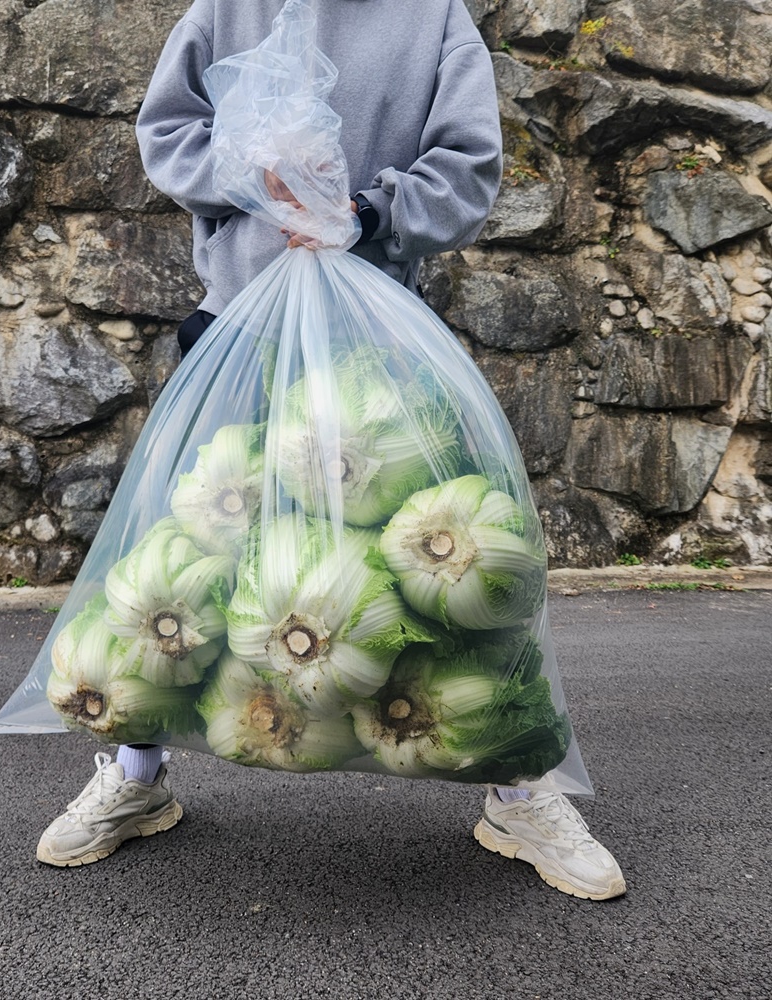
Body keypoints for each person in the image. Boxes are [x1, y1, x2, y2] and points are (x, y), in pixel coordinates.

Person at [36, 0, 626, 902]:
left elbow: (468, 169)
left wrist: (362, 210)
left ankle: (518, 788)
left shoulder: (433, 18)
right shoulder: (225, 7)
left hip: (373, 350)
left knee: (440, 562)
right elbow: (168, 133)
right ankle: (137, 775)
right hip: (237, 331)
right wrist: (251, 175)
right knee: (188, 560)